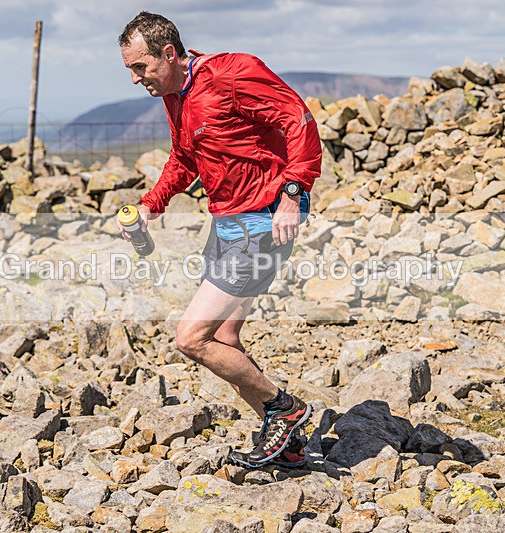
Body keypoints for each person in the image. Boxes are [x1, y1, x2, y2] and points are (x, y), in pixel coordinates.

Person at [117, 11, 321, 467]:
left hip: (264, 221)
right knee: (225, 336)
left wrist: (293, 193)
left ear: (169, 53)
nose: (135, 79)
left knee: (191, 337)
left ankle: (284, 409)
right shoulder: (175, 94)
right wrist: (152, 204)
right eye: (130, 70)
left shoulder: (233, 73)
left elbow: (298, 120)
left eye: (140, 67)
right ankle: (287, 446)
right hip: (227, 224)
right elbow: (185, 158)